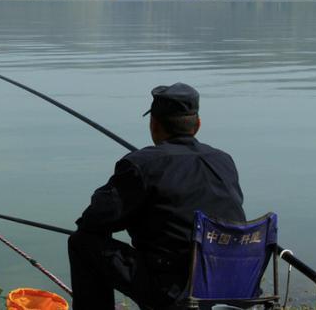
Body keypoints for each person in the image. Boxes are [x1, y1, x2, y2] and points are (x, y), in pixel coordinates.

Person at [68, 83, 246, 310]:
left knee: (82, 242)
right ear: (197, 125)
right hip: (232, 285)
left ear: (154, 124)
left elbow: (93, 221)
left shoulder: (142, 164)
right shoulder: (223, 161)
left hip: (174, 292)